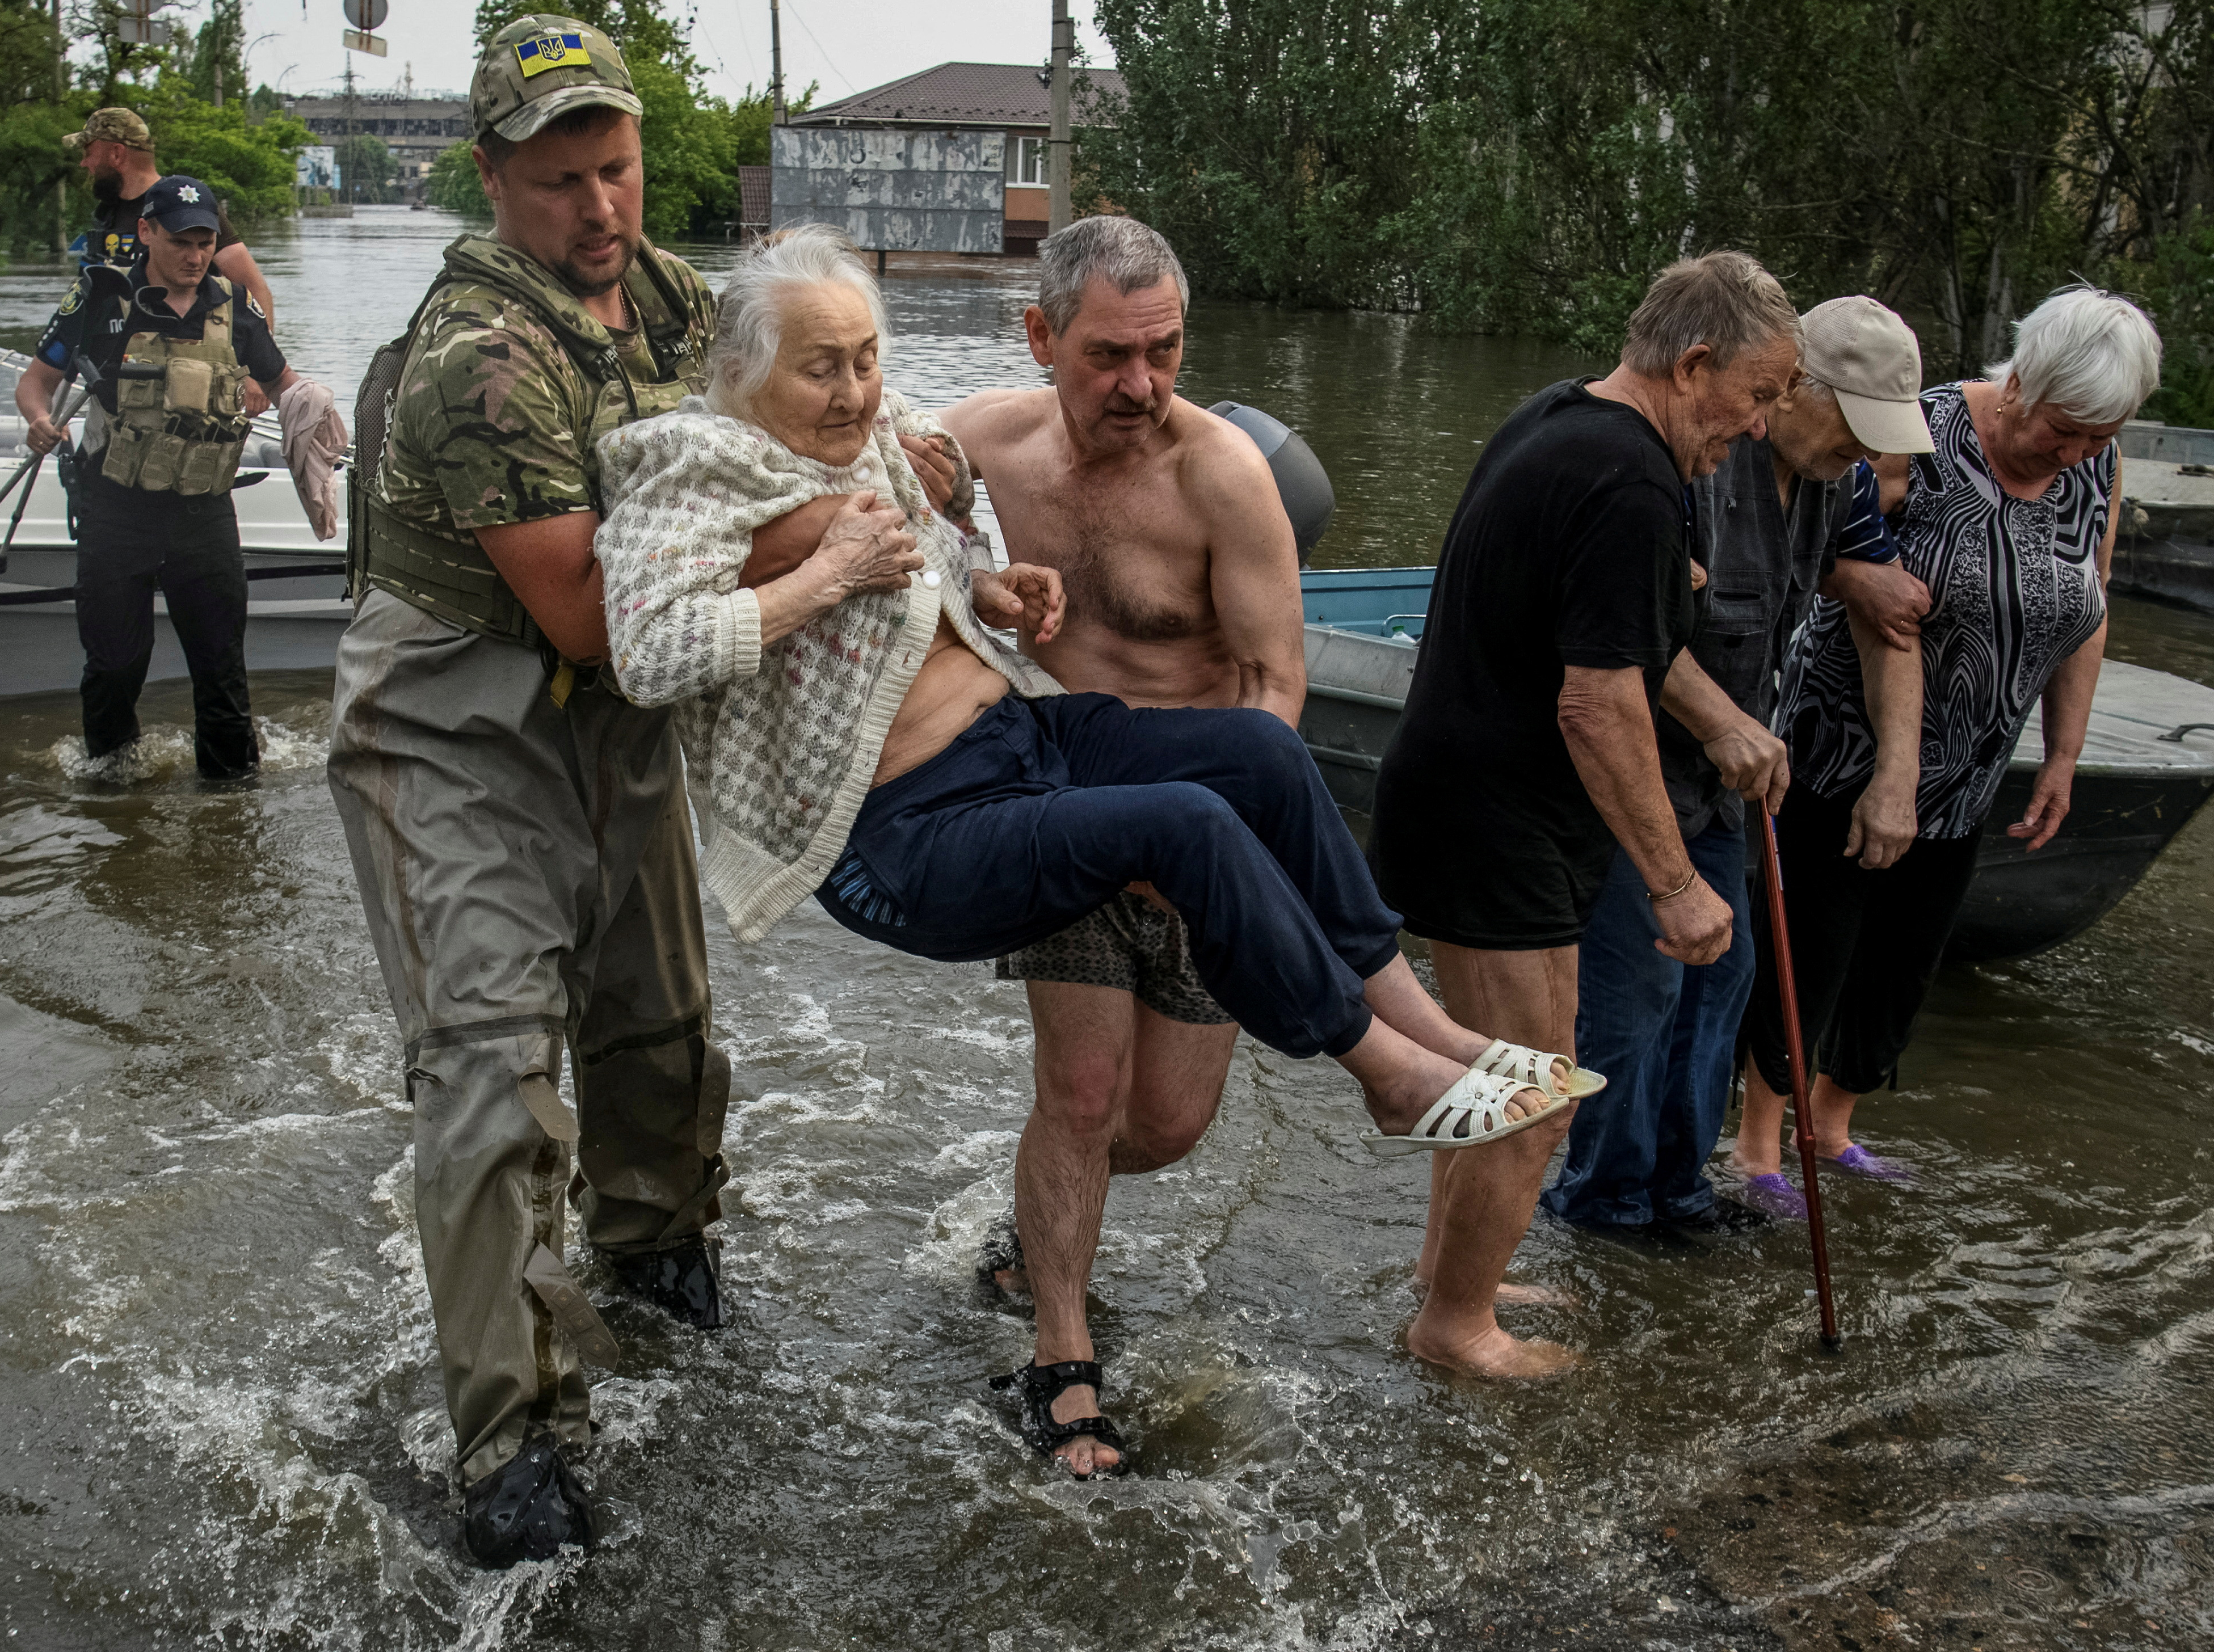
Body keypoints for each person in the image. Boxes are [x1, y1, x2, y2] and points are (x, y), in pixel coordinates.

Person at [594, 228, 1582, 1473]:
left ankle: (1419, 1033)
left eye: (863, 361)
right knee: (1100, 1046)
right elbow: (650, 651)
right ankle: (1368, 1088)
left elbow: (947, 552)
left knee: (1253, 779)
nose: (852, 392)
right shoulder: (702, 468)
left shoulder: (1095, 461)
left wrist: (992, 593)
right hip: (918, 831)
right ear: (1044, 341)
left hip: (1036, 756)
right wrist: (825, 562)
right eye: (820, 369)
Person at [322, 17, 744, 1570]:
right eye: (559, 180)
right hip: (456, 726)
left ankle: (656, 1256)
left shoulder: (667, 295)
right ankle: (509, 1440)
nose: (599, 211)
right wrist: (827, 556)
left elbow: (761, 431)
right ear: (493, 179)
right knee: (493, 1080)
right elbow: (587, 611)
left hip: (611, 721)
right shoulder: (476, 361)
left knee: (655, 1023)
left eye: (617, 169)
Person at [1369, 251, 1803, 1379]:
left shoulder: (1564, 418)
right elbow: (1599, 697)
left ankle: (1443, 1272)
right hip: (1495, 816)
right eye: (1756, 397)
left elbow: (1621, 635)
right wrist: (1673, 881)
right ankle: (1455, 1328)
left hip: (1463, 793)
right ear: (1695, 363)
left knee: (1493, 1076)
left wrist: (1713, 720)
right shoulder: (1631, 480)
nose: (1759, 428)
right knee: (1536, 1095)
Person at [935, 216, 1305, 1477]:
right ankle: (1060, 1358)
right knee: (1082, 1098)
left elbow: (1273, 685)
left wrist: (1211, 836)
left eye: (1165, 351)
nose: (1141, 385)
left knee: (1165, 1124)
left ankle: (1031, 1228)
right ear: (1040, 337)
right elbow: (858, 477)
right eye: (1107, 356)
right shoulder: (986, 439)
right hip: (1063, 812)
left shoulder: (1222, 478)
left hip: (1199, 836)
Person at [1735, 285, 2158, 1204]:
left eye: (2099, 433)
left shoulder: (2097, 467)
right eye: (2066, 427)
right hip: (1842, 745)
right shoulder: (1912, 432)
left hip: (1969, 761)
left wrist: (2060, 753)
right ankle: (1759, 1146)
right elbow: (1812, 541)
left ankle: (1834, 1124)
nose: (2078, 450)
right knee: (1811, 947)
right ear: (2024, 383)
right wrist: (1861, 582)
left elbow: (2086, 606)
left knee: (1901, 959)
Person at [1539, 296, 1931, 1242]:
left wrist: (1894, 775)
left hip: (1727, 793)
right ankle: (1604, 1201)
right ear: (1790, 391)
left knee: (1724, 978)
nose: (1868, 457)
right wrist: (1722, 724)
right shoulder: (1695, 464)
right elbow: (1617, 633)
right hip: (1638, 774)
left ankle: (1678, 1191)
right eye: (1853, 425)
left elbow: (1888, 622)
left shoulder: (1833, 485)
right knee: (1636, 993)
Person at [16, 172, 292, 782]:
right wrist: (40, 422)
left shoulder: (234, 307)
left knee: (221, 670)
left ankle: (230, 805)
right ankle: (111, 796)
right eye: (181, 243)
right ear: (146, 233)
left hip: (204, 512)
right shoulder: (99, 299)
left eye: (205, 242)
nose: (195, 256)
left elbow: (284, 383)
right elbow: (35, 383)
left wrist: (290, 403)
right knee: (115, 665)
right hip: (118, 509)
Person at [64, 104, 276, 320]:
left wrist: (261, 350)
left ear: (117, 154)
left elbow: (254, 288)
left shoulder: (186, 207)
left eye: (88, 153)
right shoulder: (108, 214)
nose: (84, 163)